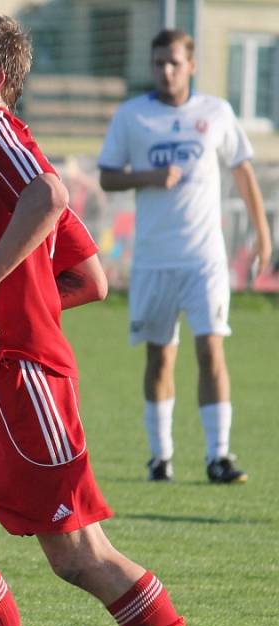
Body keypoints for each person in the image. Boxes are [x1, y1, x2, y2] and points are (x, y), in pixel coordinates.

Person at [0, 15, 250, 626]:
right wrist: (6, 298)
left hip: (18, 382)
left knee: (78, 556)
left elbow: (48, 193)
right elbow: (88, 279)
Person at [98, 29, 272, 484]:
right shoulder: (133, 116)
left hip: (204, 258)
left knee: (211, 347)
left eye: (174, 62)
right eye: (158, 63)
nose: (166, 71)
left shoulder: (216, 113)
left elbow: (243, 171)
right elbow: (108, 178)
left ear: (192, 65)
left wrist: (262, 232)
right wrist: (150, 176)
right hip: (154, 259)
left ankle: (219, 456)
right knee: (159, 358)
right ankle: (161, 458)